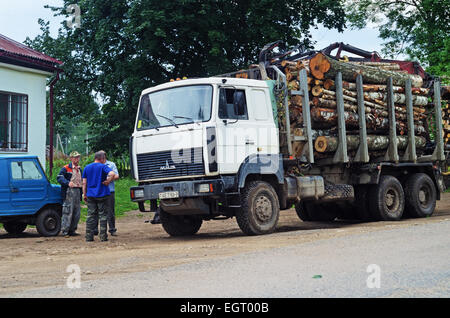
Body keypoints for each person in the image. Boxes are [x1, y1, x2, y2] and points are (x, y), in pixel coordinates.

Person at [82, 151, 116, 242]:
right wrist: (108, 181)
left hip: (90, 195)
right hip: (102, 194)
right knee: (103, 215)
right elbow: (112, 174)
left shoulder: (87, 167)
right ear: (102, 159)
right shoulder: (103, 166)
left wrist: (84, 194)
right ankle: (103, 237)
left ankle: (89, 237)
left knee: (90, 215)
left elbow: (84, 183)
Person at [57, 151, 83, 237]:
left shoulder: (79, 169)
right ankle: (65, 231)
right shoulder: (66, 168)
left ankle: (72, 230)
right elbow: (59, 177)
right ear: (71, 158)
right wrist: (67, 183)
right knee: (68, 211)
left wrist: (82, 193)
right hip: (69, 191)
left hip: (77, 191)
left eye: (78, 157)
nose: (77, 159)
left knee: (77, 212)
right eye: (75, 157)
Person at [98, 151, 119, 235]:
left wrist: (109, 179)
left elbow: (116, 175)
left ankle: (112, 229)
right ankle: (97, 230)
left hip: (110, 190)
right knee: (98, 210)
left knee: (110, 211)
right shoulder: (97, 164)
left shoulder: (111, 164)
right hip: (99, 191)